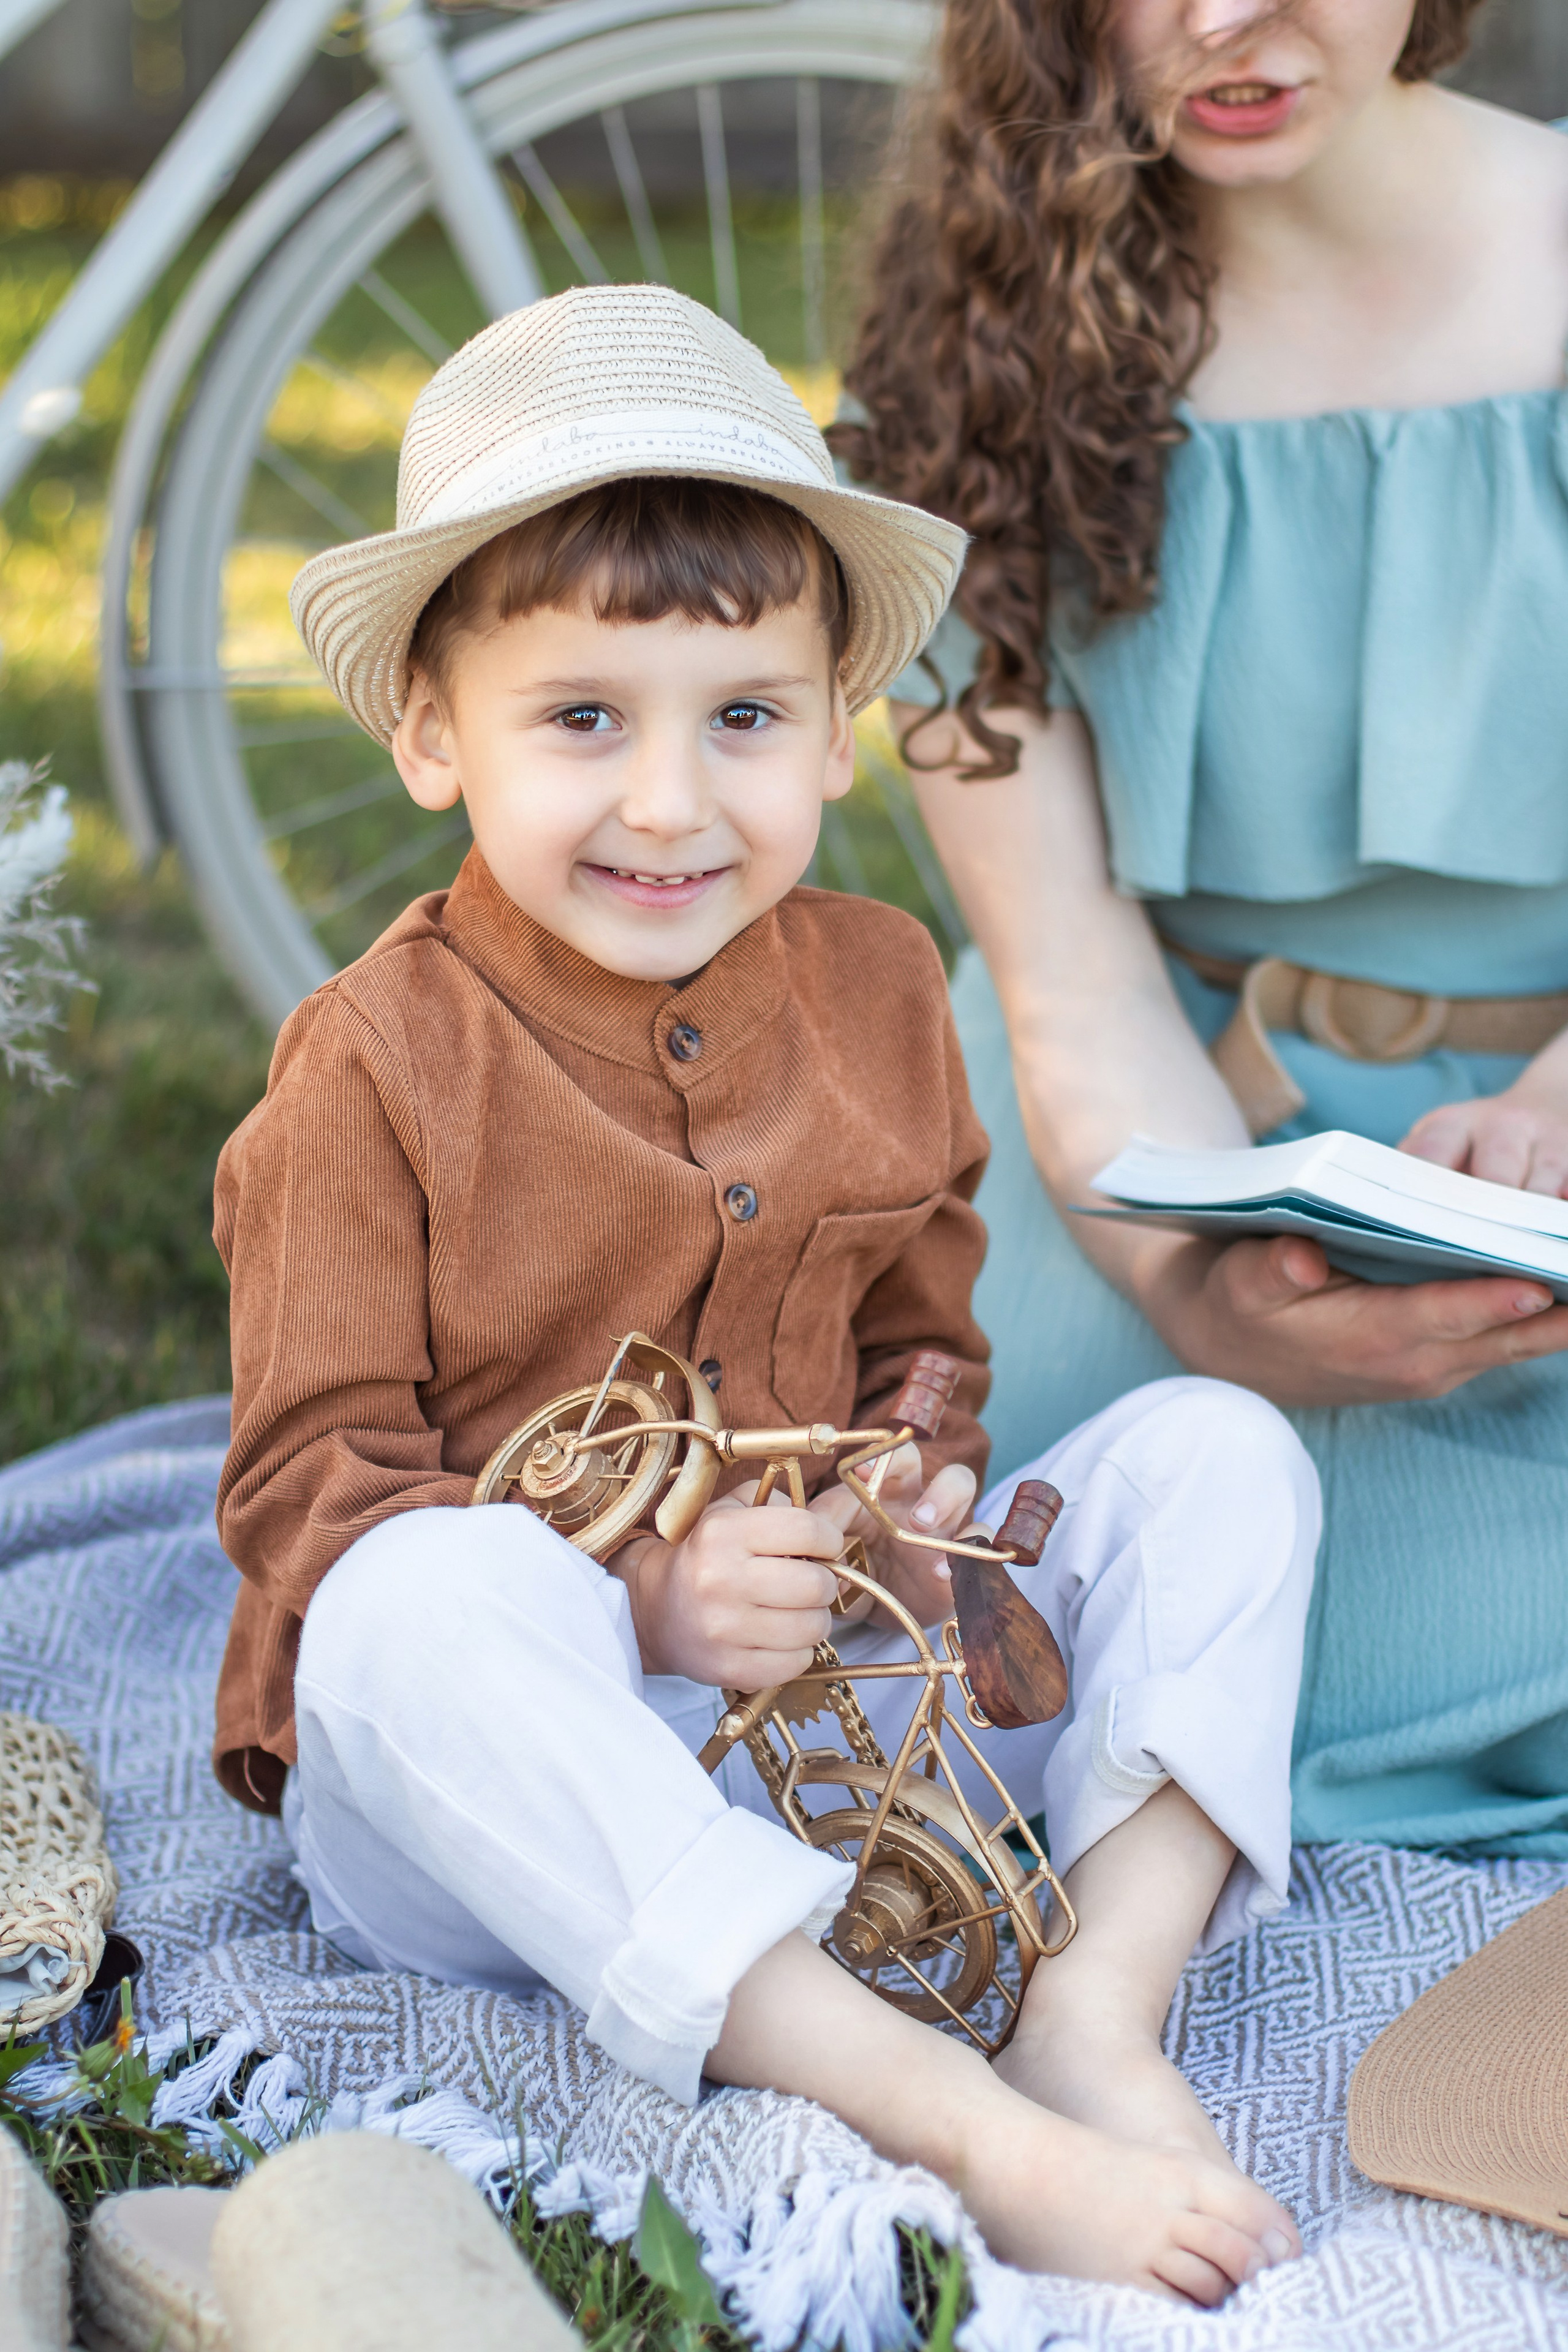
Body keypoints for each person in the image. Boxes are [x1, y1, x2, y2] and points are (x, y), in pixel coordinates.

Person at [209, 284, 1315, 2302]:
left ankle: (1095, 2008)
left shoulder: (883, 984)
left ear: (828, 721)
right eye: (582, 719)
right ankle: (931, 2106)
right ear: (431, 734)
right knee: (396, 1610)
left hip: (839, 1726)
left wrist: (918, 1480)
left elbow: (921, 1333)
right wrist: (640, 1597)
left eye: (741, 716)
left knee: (1227, 1453)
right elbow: (305, 1498)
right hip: (507, 1812)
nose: (669, 801)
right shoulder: (370, 1069)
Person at [839, 0, 1568, 1856]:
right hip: (1154, 1137)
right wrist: (1200, 1300)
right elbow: (1073, 974)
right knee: (1016, 1596)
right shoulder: (982, 338)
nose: (1222, 20)